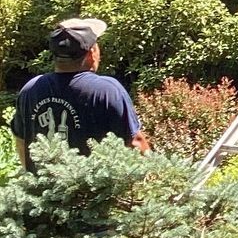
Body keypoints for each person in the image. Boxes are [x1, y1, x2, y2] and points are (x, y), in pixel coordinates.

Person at [12, 17, 148, 170]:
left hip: (42, 191)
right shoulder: (107, 90)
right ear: (92, 53)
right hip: (95, 192)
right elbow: (136, 144)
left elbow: (21, 142)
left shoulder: (30, 89)